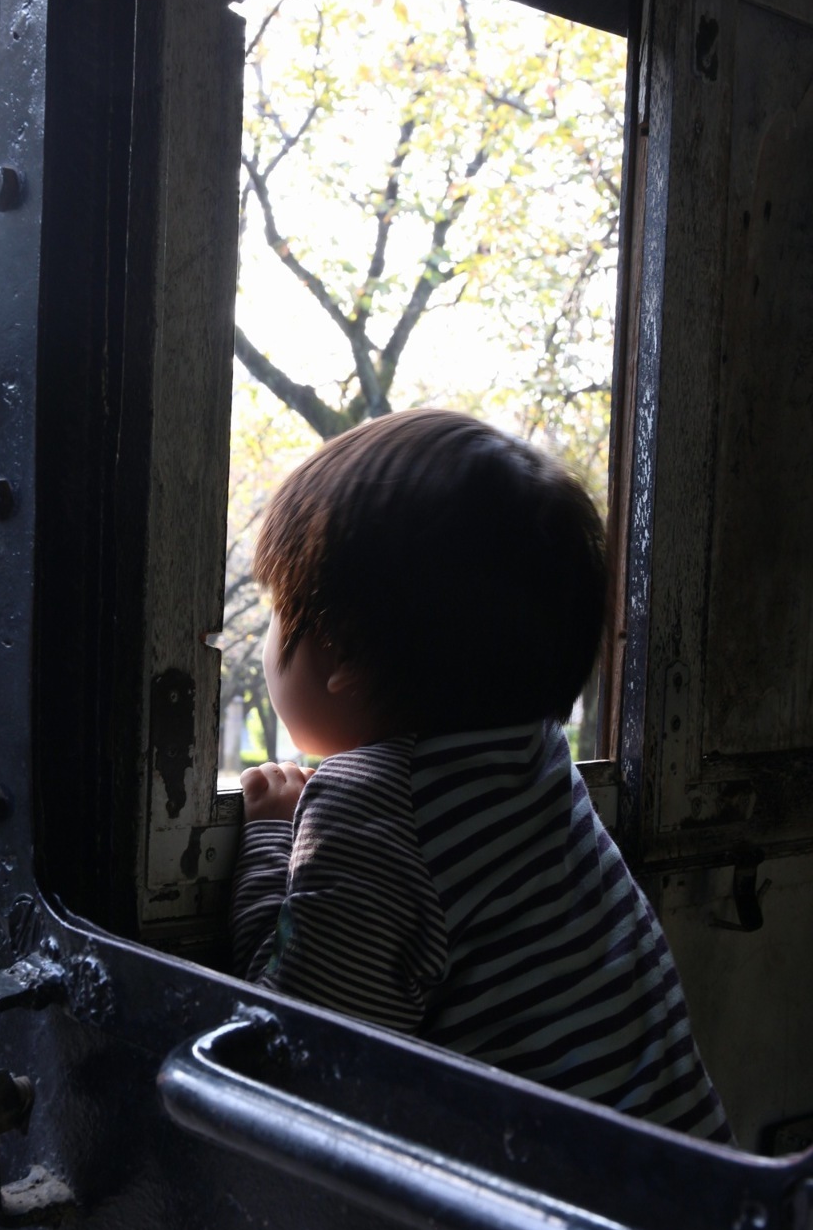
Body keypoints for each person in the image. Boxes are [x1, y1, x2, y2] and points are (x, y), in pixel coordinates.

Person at [231, 408, 732, 1143]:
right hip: (685, 1191)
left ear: (343, 651)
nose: (268, 636)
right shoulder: (534, 758)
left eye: (279, 611)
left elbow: (290, 1052)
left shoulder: (376, 805)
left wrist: (272, 840)